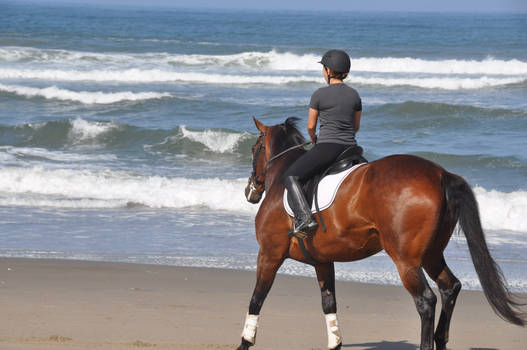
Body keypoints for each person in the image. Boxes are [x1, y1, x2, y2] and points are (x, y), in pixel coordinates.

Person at [283, 49, 362, 237]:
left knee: (290, 176)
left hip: (328, 147)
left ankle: (304, 219)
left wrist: (313, 138)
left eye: (323, 68)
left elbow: (311, 126)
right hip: (351, 149)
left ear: (328, 70)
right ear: (346, 73)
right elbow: (356, 126)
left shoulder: (319, 95)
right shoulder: (354, 95)